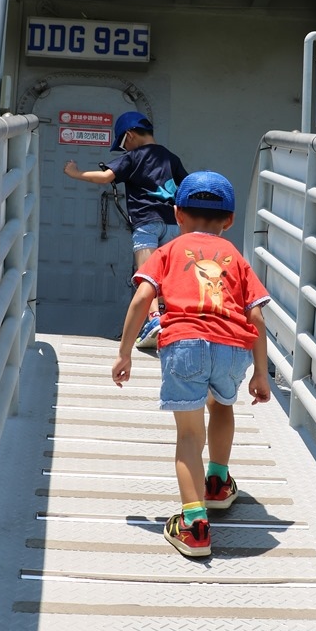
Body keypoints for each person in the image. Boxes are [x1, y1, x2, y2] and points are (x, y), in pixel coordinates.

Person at [112, 170, 271, 558]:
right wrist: (262, 374)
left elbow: (140, 300)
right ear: (230, 220)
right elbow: (257, 318)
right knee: (222, 405)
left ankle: (194, 525)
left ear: (178, 214)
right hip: (234, 346)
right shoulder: (236, 258)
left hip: (184, 344)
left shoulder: (167, 252)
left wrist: (125, 351)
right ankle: (217, 483)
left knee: (188, 437)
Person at [64, 110, 187, 350]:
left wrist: (75, 173)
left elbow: (104, 177)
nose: (124, 150)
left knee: (147, 274)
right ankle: (165, 319)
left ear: (129, 135)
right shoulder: (171, 158)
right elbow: (188, 185)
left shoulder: (133, 157)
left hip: (145, 223)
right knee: (167, 275)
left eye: (122, 144)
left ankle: (153, 321)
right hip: (173, 224)